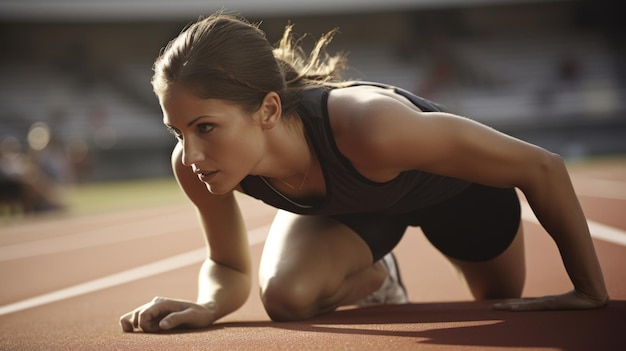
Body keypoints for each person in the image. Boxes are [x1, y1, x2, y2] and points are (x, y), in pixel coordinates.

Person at [119, 12, 609, 333]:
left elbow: (543, 166)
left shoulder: (372, 127)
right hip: (354, 206)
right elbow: (227, 267)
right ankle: (379, 278)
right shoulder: (194, 164)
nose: (193, 153)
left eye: (205, 127)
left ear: (268, 110)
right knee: (287, 299)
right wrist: (207, 305)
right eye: (178, 131)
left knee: (498, 305)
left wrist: (588, 290)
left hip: (460, 195)